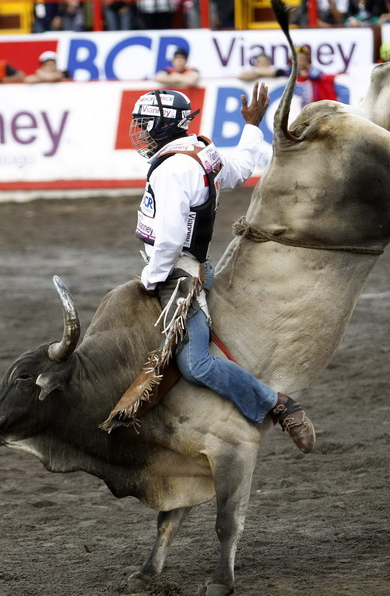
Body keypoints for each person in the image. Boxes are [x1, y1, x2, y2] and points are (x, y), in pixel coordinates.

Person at [102, 84, 316, 453]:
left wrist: (151, 280)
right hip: (188, 265)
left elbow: (168, 239)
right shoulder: (200, 151)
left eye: (145, 124)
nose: (140, 131)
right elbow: (238, 171)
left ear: (162, 127)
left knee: (196, 365)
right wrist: (252, 127)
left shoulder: (172, 170)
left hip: (177, 277)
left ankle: (277, 404)